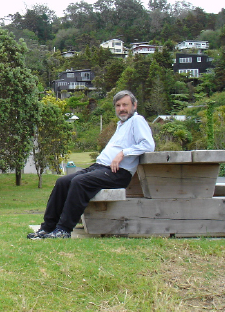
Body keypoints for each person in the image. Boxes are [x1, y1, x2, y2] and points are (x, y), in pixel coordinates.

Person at [28, 90, 155, 239]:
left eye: (125, 105)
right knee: (62, 182)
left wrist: (123, 153)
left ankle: (63, 230)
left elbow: (148, 145)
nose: (121, 109)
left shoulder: (137, 120)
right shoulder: (122, 124)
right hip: (101, 168)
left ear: (134, 105)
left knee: (79, 182)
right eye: (118, 105)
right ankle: (48, 228)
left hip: (118, 172)